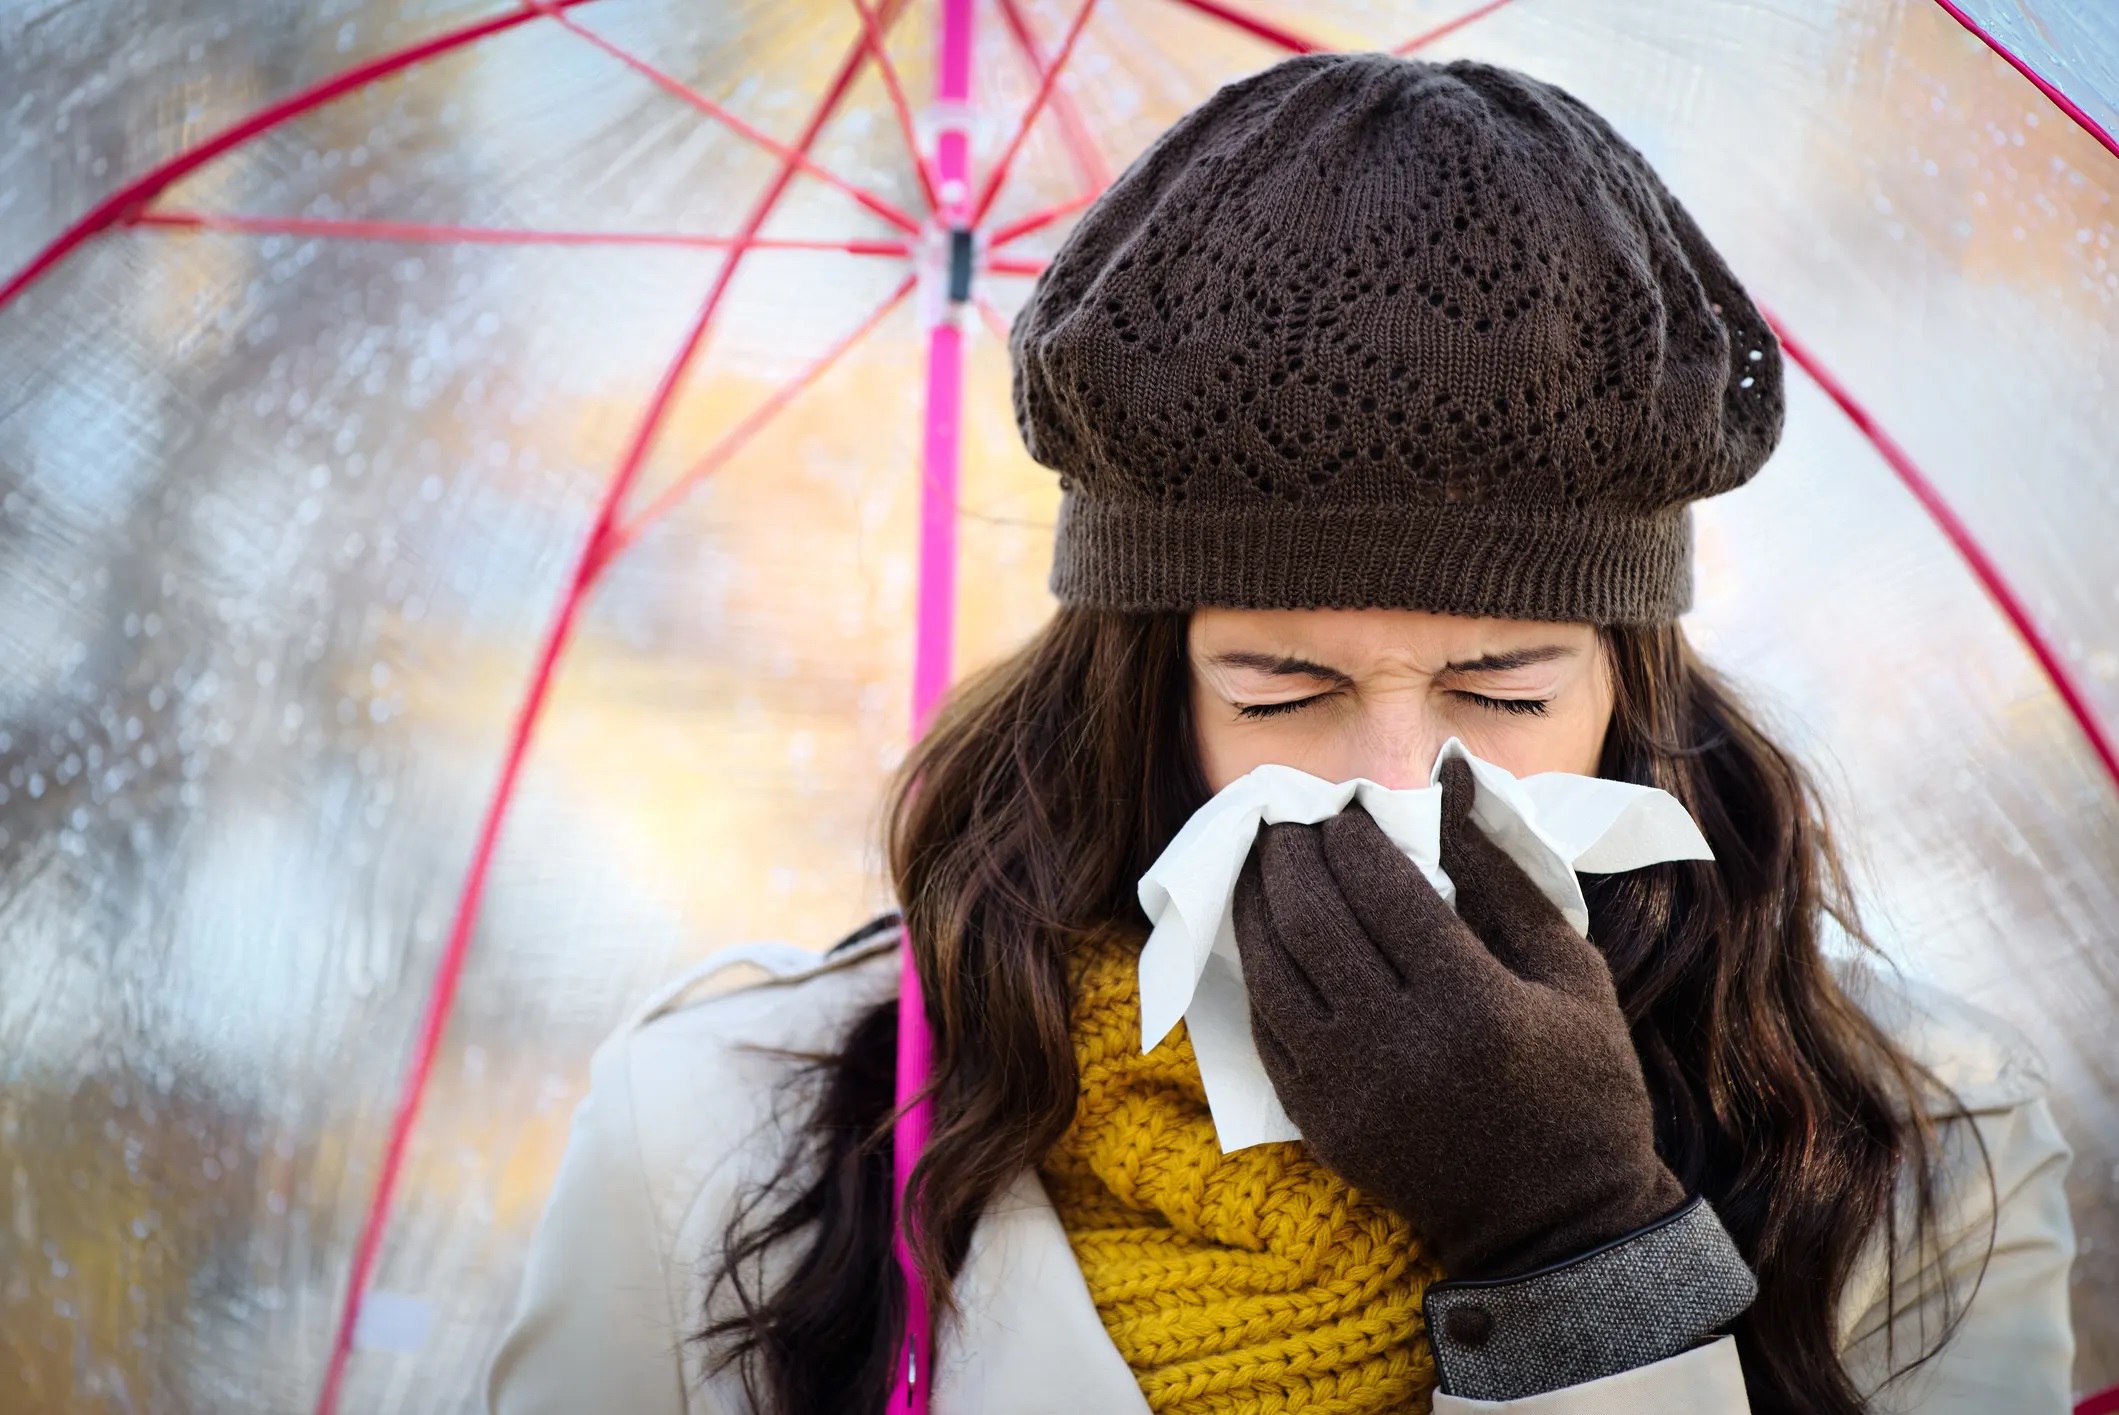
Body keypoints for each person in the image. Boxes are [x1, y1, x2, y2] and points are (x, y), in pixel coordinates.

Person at [484, 51, 2076, 1414]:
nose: (1396, 785)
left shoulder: (1918, 1149)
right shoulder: (717, 1131)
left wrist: (1584, 1253)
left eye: (1505, 693)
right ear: (1142, 693)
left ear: (1631, 691)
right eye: (1283, 692)